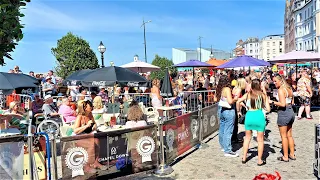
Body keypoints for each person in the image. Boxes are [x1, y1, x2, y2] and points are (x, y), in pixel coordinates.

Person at [236, 79, 270, 166]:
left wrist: (239, 110)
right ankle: (259, 160)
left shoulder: (248, 94)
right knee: (260, 140)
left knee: (247, 138)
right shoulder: (263, 95)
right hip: (259, 116)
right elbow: (268, 109)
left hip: (249, 116)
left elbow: (238, 101)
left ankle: (244, 157)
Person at [270, 74, 296, 162]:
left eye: (275, 81)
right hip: (291, 111)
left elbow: (282, 104)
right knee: (289, 135)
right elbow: (292, 102)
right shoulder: (289, 89)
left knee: (284, 136)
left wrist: (272, 102)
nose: (274, 83)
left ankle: (285, 156)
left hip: (284, 112)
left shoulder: (281, 90)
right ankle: (292, 154)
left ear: (280, 81)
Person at [214, 75, 239, 157]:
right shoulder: (227, 89)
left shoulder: (218, 88)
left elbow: (215, 99)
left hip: (221, 110)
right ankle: (227, 150)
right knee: (228, 130)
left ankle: (223, 146)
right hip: (228, 110)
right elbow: (230, 101)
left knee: (222, 128)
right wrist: (235, 99)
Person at [231, 78, 246, 143]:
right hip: (235, 106)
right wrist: (238, 111)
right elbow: (237, 100)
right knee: (235, 122)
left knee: (233, 122)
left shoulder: (234, 88)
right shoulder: (239, 89)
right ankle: (234, 138)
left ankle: (234, 137)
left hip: (232, 105)